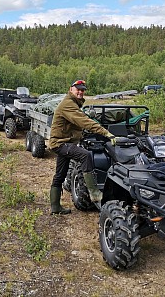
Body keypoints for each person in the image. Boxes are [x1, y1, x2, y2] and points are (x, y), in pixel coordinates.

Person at [48, 80, 116, 215]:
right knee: (85, 155)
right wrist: (106, 132)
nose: (80, 92)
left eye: (82, 90)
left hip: (62, 143)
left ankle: (55, 207)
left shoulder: (72, 103)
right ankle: (95, 193)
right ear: (71, 89)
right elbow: (83, 121)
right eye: (77, 89)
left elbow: (79, 120)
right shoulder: (68, 104)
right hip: (61, 144)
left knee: (60, 175)